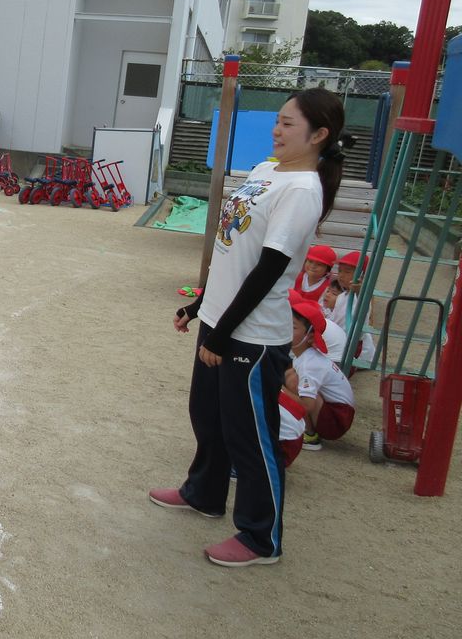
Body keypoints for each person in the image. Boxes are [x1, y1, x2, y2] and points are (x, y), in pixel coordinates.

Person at [150, 88, 351, 568]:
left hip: (252, 336)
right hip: (222, 320)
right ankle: (204, 493)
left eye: (288, 124)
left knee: (249, 439)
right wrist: (200, 306)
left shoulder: (302, 190)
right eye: (278, 121)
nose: (276, 130)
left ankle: (261, 538)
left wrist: (223, 335)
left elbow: (267, 271)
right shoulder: (266, 171)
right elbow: (233, 251)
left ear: (319, 135)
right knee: (209, 417)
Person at [285, 298, 355, 450]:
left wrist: (280, 391)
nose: (285, 330)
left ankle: (309, 436)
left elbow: (307, 405)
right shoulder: (306, 355)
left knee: (292, 383)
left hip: (337, 420)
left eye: (293, 327)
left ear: (309, 337)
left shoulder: (310, 363)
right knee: (291, 376)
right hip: (336, 411)